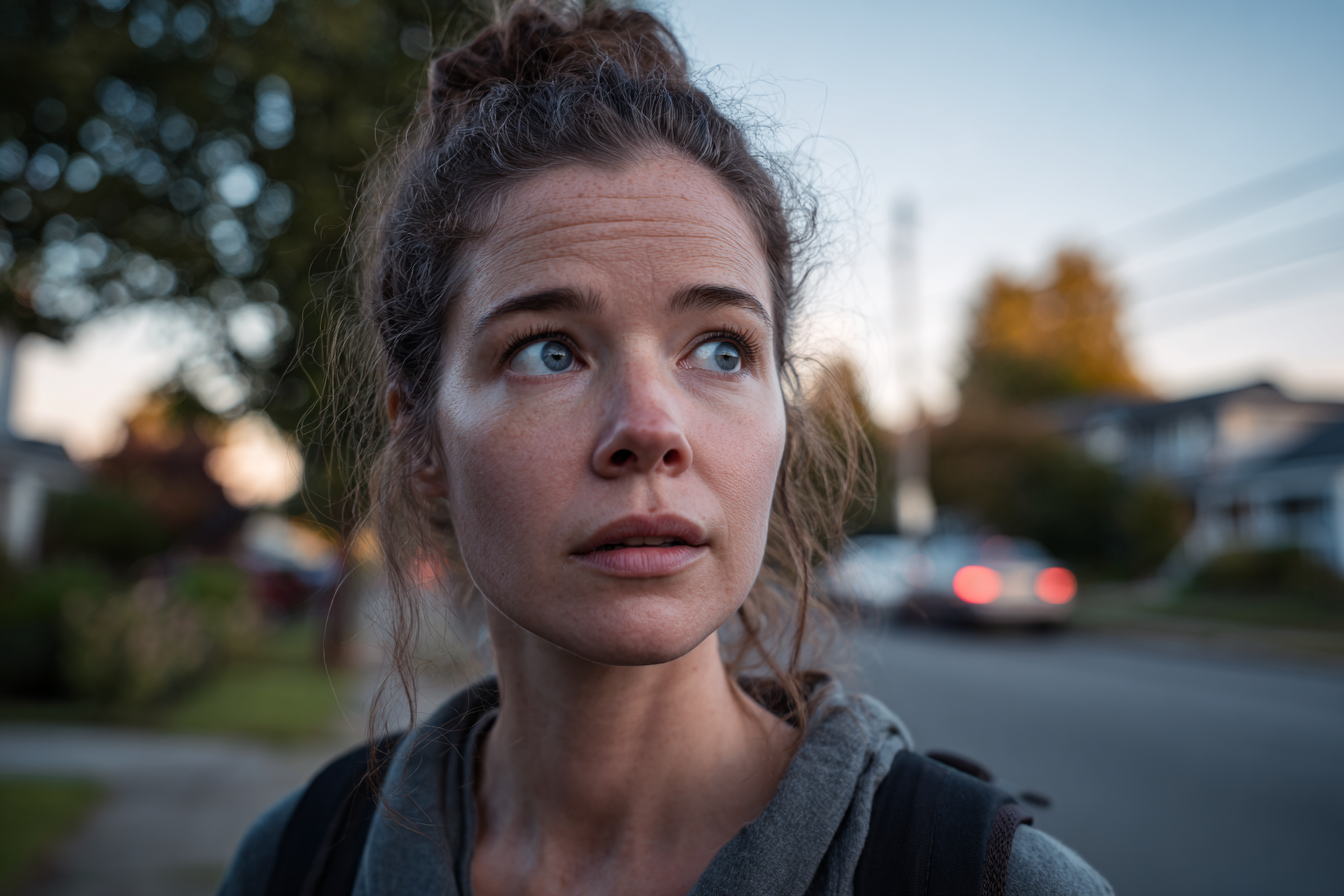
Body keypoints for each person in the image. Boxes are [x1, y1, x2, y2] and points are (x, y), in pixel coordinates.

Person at [220, 3, 1113, 894]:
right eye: (548, 351)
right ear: (421, 442)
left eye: (722, 350)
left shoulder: (998, 883)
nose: (650, 428)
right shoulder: (294, 863)